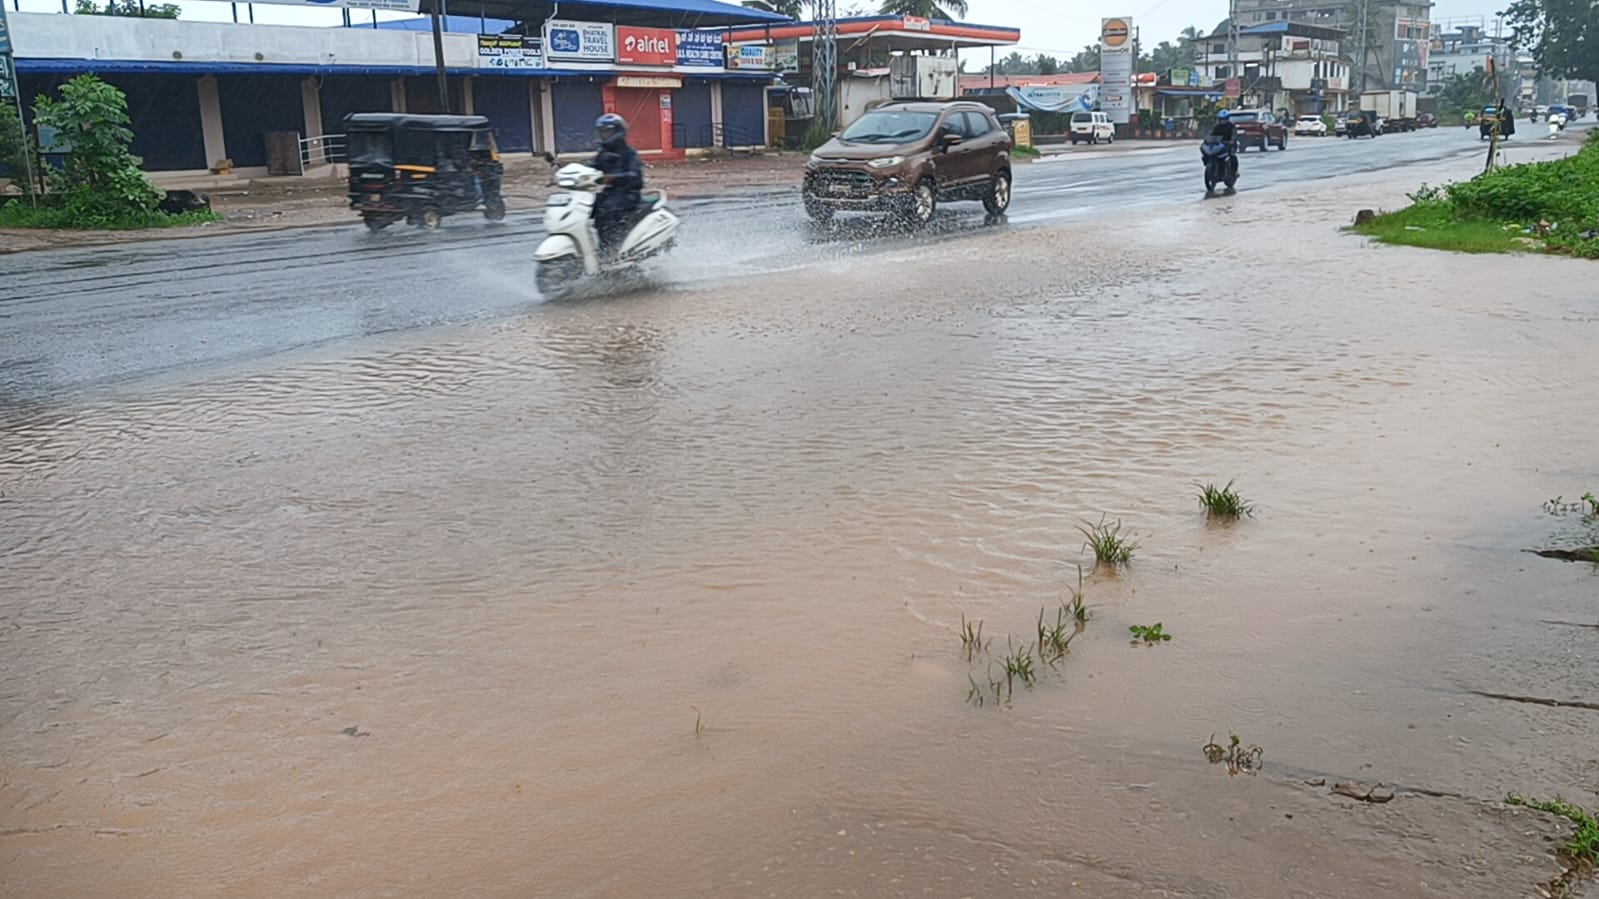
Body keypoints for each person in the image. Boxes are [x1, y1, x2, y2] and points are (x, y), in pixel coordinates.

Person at [589, 113, 643, 258]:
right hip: (610, 192)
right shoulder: (604, 153)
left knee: (607, 209)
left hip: (628, 194)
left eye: (607, 132)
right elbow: (590, 167)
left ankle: (612, 248)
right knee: (587, 207)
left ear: (617, 132)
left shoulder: (629, 153)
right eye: (602, 132)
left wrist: (613, 179)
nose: (604, 135)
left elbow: (635, 177)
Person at [1207, 109, 1238, 179]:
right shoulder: (1216, 127)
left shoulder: (1231, 126)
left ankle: (1234, 172)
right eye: (1221, 119)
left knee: (1233, 157)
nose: (1222, 121)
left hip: (1229, 145)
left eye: (1224, 119)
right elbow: (1210, 134)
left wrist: (1231, 141)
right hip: (1218, 145)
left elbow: (1234, 135)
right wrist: (1207, 140)